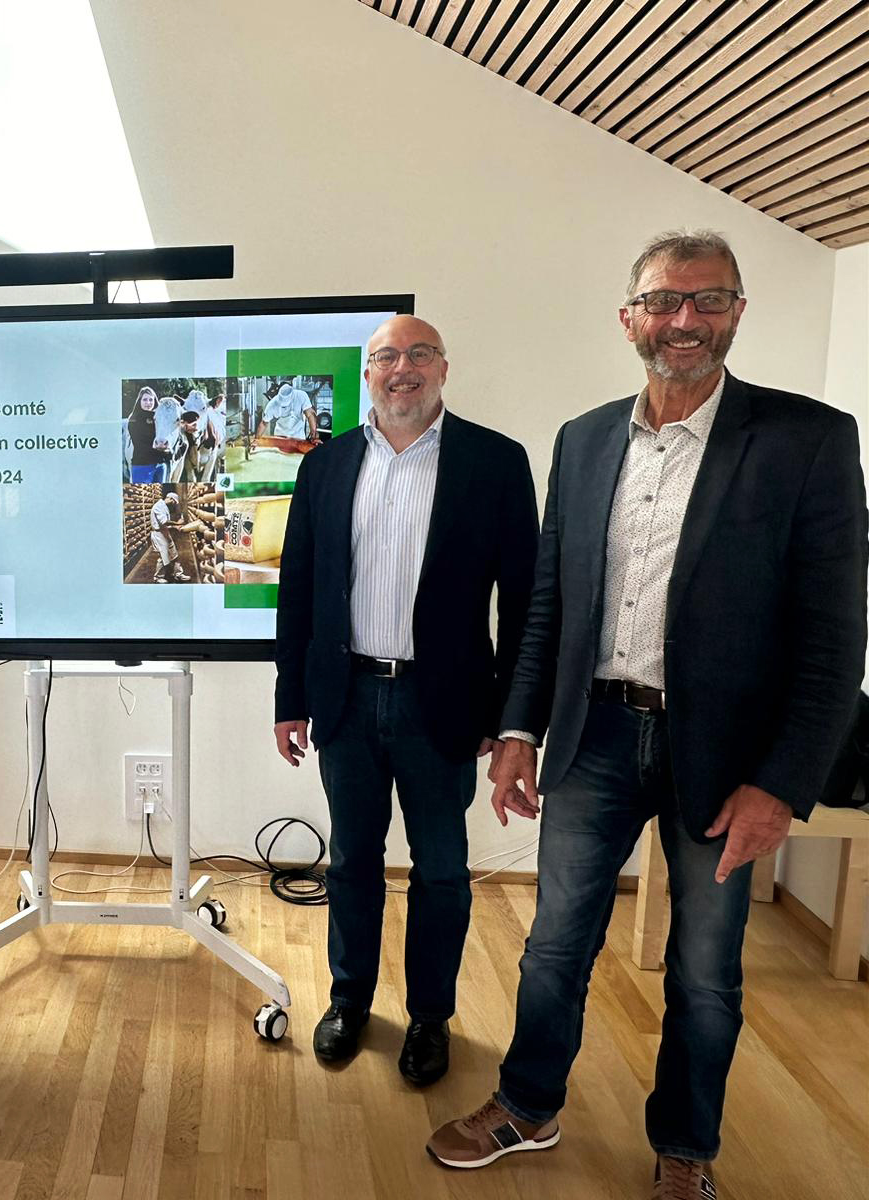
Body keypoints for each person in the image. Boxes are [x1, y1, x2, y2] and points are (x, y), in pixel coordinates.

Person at [428, 231, 868, 1200]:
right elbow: (548, 603)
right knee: (555, 943)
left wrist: (782, 785)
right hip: (592, 736)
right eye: (665, 301)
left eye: (708, 300)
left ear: (738, 312)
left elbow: (836, 639)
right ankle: (527, 1104)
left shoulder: (807, 440)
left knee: (704, 969)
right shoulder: (584, 439)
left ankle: (686, 1147)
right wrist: (518, 730)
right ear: (628, 317)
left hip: (725, 758)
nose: (685, 321)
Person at [274, 316, 538, 1084]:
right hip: (346, 699)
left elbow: (525, 603)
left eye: (420, 353)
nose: (403, 368)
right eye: (386, 356)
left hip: (443, 706)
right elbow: (298, 590)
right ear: (368, 374)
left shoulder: (494, 462)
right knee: (353, 862)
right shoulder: (325, 465)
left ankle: (429, 1019)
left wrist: (512, 720)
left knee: (443, 872)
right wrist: (290, 698)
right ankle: (349, 1001)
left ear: (443, 369)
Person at [125, 386, 166, 484]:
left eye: (151, 400)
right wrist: (164, 453)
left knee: (159, 493)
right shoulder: (134, 419)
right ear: (139, 401)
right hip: (142, 465)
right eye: (145, 400)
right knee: (142, 494)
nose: (148, 403)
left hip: (160, 465)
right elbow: (140, 444)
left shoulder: (159, 418)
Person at [149, 491, 190, 583]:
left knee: (174, 554)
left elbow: (163, 525)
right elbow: (164, 522)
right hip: (159, 535)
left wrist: (174, 527)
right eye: (174, 502)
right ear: (171, 499)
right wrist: (177, 523)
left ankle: (178, 574)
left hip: (165, 533)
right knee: (163, 557)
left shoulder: (164, 506)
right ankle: (158, 577)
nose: (174, 505)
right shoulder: (159, 506)